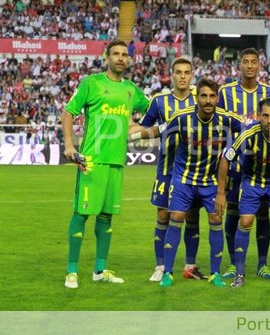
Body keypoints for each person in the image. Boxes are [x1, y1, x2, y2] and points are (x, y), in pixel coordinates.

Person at [62, 40, 149, 289]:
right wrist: (70, 145)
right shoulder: (91, 83)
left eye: (125, 54)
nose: (121, 58)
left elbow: (155, 109)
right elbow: (68, 112)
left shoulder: (132, 90)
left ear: (129, 59)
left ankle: (100, 269)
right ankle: (72, 271)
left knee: (106, 216)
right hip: (92, 160)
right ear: (107, 57)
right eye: (116, 54)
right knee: (82, 213)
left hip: (116, 161)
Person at [158, 79, 244, 287]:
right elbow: (164, 141)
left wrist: (231, 152)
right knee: (176, 216)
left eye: (212, 96)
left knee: (216, 219)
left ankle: (215, 273)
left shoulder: (226, 119)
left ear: (217, 98)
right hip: (183, 179)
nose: (208, 100)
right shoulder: (181, 118)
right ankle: (167, 273)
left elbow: (247, 129)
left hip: (210, 181)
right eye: (204, 96)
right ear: (197, 98)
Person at [216, 98, 270, 288]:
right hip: (252, 182)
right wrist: (221, 192)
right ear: (258, 116)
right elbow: (226, 158)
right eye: (265, 116)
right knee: (245, 221)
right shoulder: (248, 133)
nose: (269, 120)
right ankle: (240, 273)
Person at [137, 56, 204, 283]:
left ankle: (190, 265)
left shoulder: (200, 99)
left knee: (192, 216)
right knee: (163, 214)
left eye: (187, 72)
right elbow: (142, 131)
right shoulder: (159, 101)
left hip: (195, 169)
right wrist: (165, 127)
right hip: (167, 168)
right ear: (171, 74)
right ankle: (160, 265)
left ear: (192, 75)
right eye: (179, 72)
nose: (183, 76)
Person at [217, 48, 270, 280]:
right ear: (239, 65)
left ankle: (262, 264)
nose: (249, 66)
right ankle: (233, 263)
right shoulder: (226, 91)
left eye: (254, 62)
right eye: (245, 62)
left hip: (261, 165)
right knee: (232, 213)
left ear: (259, 66)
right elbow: (219, 124)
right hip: (234, 166)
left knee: (262, 214)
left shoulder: (269, 91)